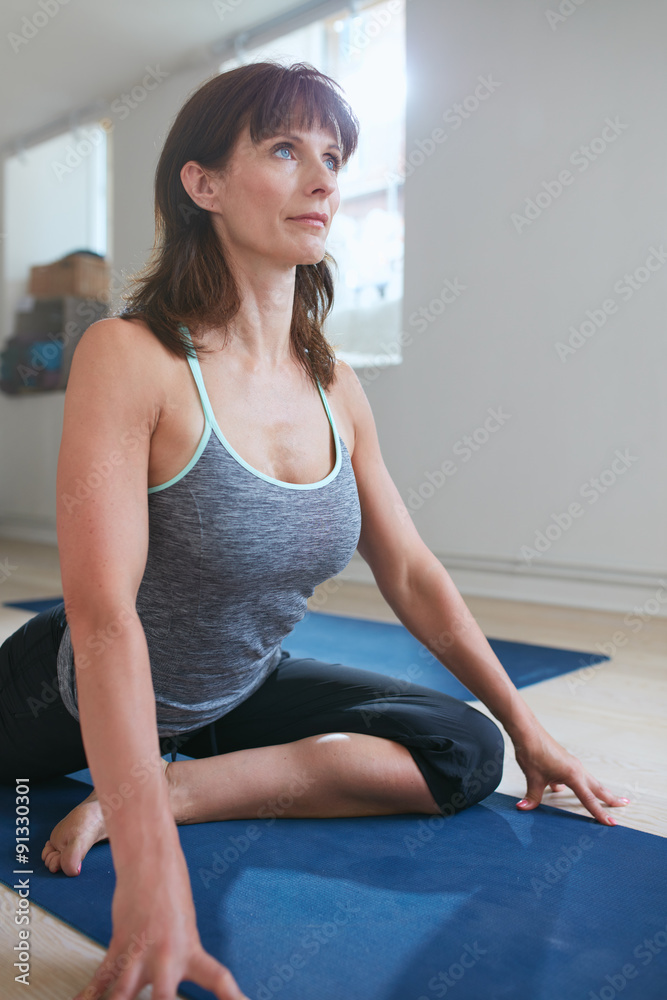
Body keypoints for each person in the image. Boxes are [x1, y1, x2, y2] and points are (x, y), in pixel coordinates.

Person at [0, 61, 629, 1000]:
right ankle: (140, 792)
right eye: (286, 149)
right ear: (201, 184)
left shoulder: (335, 385)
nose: (324, 177)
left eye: (333, 156)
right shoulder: (129, 356)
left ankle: (181, 789)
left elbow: (409, 570)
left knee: (465, 752)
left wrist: (526, 726)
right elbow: (102, 619)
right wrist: (152, 879)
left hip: (237, 691)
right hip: (68, 697)